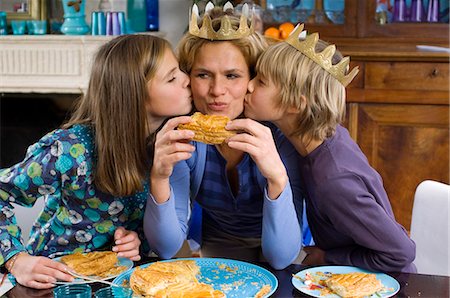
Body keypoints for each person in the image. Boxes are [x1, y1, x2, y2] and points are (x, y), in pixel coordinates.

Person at [0, 34, 192, 289]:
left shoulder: (165, 149)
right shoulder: (69, 151)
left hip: (118, 282)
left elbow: (161, 235)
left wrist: (136, 240)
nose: (187, 79)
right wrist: (16, 260)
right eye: (172, 77)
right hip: (51, 282)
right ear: (134, 94)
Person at [232, 24, 416, 272]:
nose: (249, 86)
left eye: (261, 81)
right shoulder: (323, 136)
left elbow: (400, 253)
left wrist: (326, 258)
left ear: (296, 104)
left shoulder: (333, 180)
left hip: (380, 283)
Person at [144, 3, 304, 270]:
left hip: (284, 245)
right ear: (188, 78)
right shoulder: (184, 136)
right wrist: (159, 177)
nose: (217, 91)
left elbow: (282, 257)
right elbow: (166, 247)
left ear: (253, 79)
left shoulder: (281, 136)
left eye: (232, 75)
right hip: (217, 246)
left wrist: (277, 177)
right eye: (203, 74)